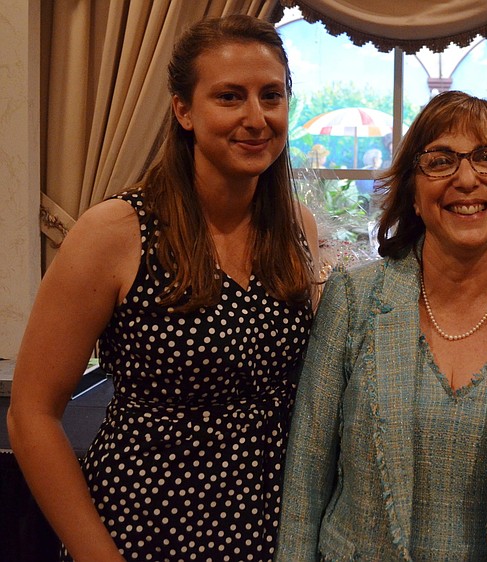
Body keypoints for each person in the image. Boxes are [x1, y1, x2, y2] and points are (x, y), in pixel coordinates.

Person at [7, 14, 320, 561]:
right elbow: (31, 413)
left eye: (271, 95)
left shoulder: (296, 226)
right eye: (229, 97)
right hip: (144, 530)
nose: (255, 117)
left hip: (271, 532)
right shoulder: (114, 232)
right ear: (183, 111)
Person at [276, 90, 487, 560]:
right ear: (412, 188)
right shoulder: (353, 301)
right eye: (440, 160)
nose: (466, 179)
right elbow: (305, 481)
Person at [355, 147, 384, 212]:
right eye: (380, 158)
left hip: (361, 204)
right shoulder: (375, 174)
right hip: (371, 206)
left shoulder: (361, 171)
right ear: (375, 160)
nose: (381, 160)